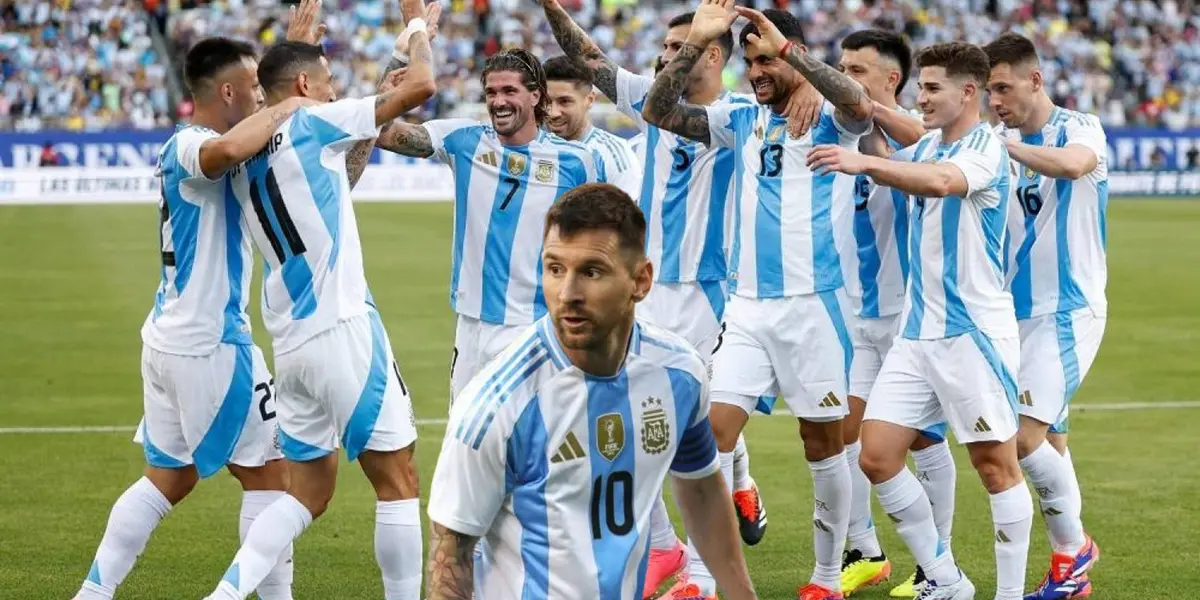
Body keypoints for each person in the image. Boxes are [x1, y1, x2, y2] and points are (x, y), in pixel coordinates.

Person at [536, 3, 817, 591]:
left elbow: (805, 101)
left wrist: (809, 89)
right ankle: (674, 541)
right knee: (622, 415)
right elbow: (589, 58)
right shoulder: (654, 99)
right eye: (663, 49)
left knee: (686, 424)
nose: (665, 57)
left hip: (710, 292)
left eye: (678, 48)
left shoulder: (742, 114)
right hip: (643, 288)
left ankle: (697, 568)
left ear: (714, 54)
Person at [70, 31, 326, 600]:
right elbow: (229, 152)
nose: (264, 97)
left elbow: (252, 146)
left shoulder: (215, 137)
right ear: (228, 91)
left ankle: (92, 593)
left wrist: (293, 53)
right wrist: (295, 99)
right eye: (257, 88)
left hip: (168, 339)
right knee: (272, 476)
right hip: (210, 343)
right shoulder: (188, 144)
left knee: (170, 476)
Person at [202, 5, 438, 598]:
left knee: (308, 492)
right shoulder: (310, 124)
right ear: (306, 87)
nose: (334, 91)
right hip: (343, 327)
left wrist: (291, 48)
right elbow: (423, 85)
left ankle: (226, 593)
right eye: (328, 80)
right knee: (398, 480)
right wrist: (413, 32)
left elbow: (342, 166)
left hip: (291, 340)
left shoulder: (249, 150)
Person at [642, 3, 876, 599]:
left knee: (822, 444)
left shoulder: (827, 116)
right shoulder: (739, 117)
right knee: (708, 434)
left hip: (814, 307)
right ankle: (700, 578)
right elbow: (658, 110)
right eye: (750, 61)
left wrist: (796, 58)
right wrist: (697, 42)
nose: (757, 71)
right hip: (746, 309)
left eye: (766, 57)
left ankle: (827, 576)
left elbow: (859, 105)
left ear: (792, 52)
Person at [425, 183, 757, 600]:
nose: (567, 294)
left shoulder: (680, 375)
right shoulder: (498, 405)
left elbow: (703, 491)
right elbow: (451, 552)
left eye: (591, 271)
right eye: (554, 268)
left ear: (641, 281)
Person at [808, 41, 1034, 600]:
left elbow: (938, 182)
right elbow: (899, 150)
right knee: (877, 455)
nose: (921, 98)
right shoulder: (930, 141)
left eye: (932, 88)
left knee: (994, 466)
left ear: (968, 92)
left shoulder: (987, 148)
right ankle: (948, 579)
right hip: (918, 333)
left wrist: (865, 160)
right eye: (920, 87)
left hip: (972, 334)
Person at [365, 48, 606, 406]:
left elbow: (598, 247)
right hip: (472, 328)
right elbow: (382, 132)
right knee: (464, 448)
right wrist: (400, 55)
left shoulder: (577, 161)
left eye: (510, 91)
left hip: (535, 328)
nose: (499, 101)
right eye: (491, 93)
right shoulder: (464, 139)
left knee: (532, 449)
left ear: (536, 95)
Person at [833, 29, 959, 599]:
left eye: (857, 70)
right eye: (839, 67)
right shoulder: (834, 130)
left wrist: (873, 115)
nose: (843, 78)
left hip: (911, 319)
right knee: (844, 435)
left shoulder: (922, 136)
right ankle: (867, 550)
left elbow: (925, 152)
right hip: (856, 318)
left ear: (891, 81)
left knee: (924, 441)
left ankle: (939, 565)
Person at [983, 32, 1105, 600]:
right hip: (1013, 315)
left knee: (1022, 437)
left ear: (1035, 80)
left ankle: (1072, 551)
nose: (995, 101)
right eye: (988, 91)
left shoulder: (1080, 127)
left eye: (1003, 87)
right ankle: (1071, 571)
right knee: (1049, 438)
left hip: (1068, 310)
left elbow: (1073, 166)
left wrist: (1005, 148)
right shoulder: (994, 138)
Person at [542, 55, 642, 200]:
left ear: (589, 100)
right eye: (546, 101)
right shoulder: (533, 146)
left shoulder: (613, 156)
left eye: (564, 102)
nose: (552, 112)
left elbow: (624, 220)